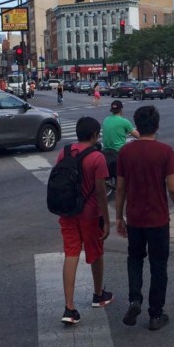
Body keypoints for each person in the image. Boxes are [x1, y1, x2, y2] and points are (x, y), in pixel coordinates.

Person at [115, 106, 174, 331]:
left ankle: (135, 299)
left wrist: (118, 216)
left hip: (135, 218)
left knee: (134, 259)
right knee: (158, 265)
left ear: (136, 125)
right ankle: (155, 314)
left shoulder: (126, 153)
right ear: (156, 125)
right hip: (158, 218)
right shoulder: (165, 151)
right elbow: (173, 187)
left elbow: (120, 188)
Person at [55, 117, 113, 325]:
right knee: (96, 252)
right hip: (90, 214)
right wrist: (106, 220)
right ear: (95, 135)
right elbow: (100, 192)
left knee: (71, 254)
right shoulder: (97, 158)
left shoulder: (65, 152)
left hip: (68, 212)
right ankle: (98, 295)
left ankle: (69, 307)